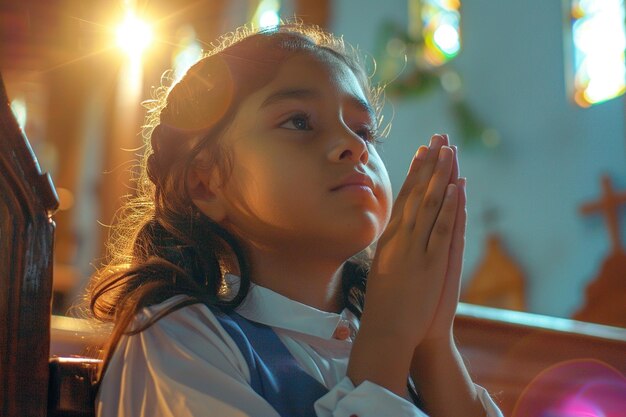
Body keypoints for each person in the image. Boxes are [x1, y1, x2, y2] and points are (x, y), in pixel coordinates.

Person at [90, 23, 503, 417]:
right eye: (299, 122)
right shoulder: (177, 337)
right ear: (206, 183)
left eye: (364, 130)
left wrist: (431, 344)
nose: (353, 146)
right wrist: (389, 339)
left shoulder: (379, 335)